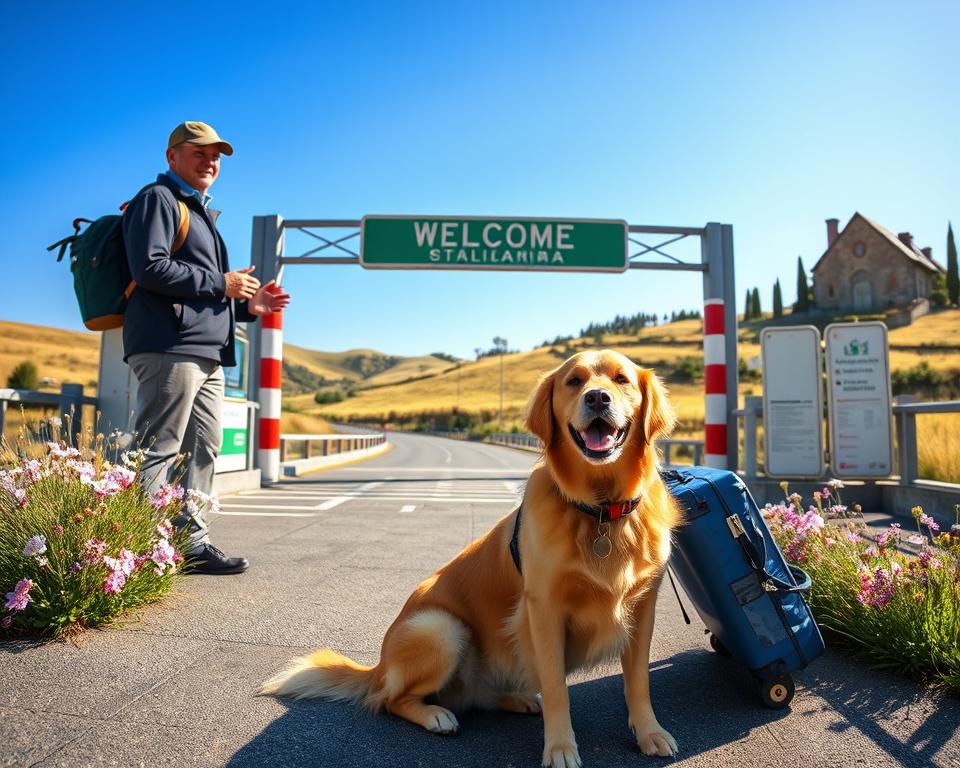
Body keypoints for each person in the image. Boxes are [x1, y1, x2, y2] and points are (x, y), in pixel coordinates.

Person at [122, 121, 290, 574]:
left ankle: (188, 541)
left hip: (206, 352)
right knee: (158, 446)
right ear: (171, 156)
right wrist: (223, 282)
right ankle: (136, 545)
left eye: (215, 155)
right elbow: (151, 268)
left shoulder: (199, 212)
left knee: (204, 447)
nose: (210, 161)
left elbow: (204, 298)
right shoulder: (157, 200)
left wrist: (247, 305)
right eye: (199, 153)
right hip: (169, 347)